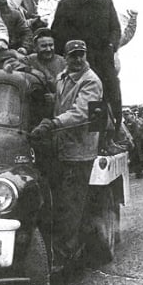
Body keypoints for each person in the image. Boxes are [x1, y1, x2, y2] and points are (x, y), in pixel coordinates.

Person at [29, 39, 103, 270]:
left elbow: (82, 112)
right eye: (73, 55)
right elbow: (60, 104)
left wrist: (52, 123)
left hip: (80, 151)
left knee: (72, 206)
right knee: (61, 203)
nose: (78, 59)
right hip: (62, 148)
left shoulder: (91, 81)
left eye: (81, 54)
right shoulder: (62, 77)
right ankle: (62, 251)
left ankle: (65, 258)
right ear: (66, 57)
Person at [50, 0, 122, 140]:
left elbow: (116, 29)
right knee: (88, 102)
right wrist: (70, 57)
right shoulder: (66, 4)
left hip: (104, 59)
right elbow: (57, 35)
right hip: (79, 61)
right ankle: (94, 141)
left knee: (112, 95)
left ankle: (111, 137)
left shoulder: (106, 1)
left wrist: (112, 47)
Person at [23, 27, 66, 92]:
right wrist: (32, 70)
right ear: (35, 47)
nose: (48, 49)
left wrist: (55, 97)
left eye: (51, 45)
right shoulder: (30, 59)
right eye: (44, 46)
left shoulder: (63, 62)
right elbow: (13, 64)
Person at [123, 108, 143, 178]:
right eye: (124, 115)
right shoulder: (124, 123)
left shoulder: (133, 122)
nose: (126, 116)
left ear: (130, 114)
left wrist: (131, 140)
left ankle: (139, 173)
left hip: (135, 142)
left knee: (136, 158)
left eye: (127, 114)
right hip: (128, 142)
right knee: (130, 157)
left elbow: (137, 133)